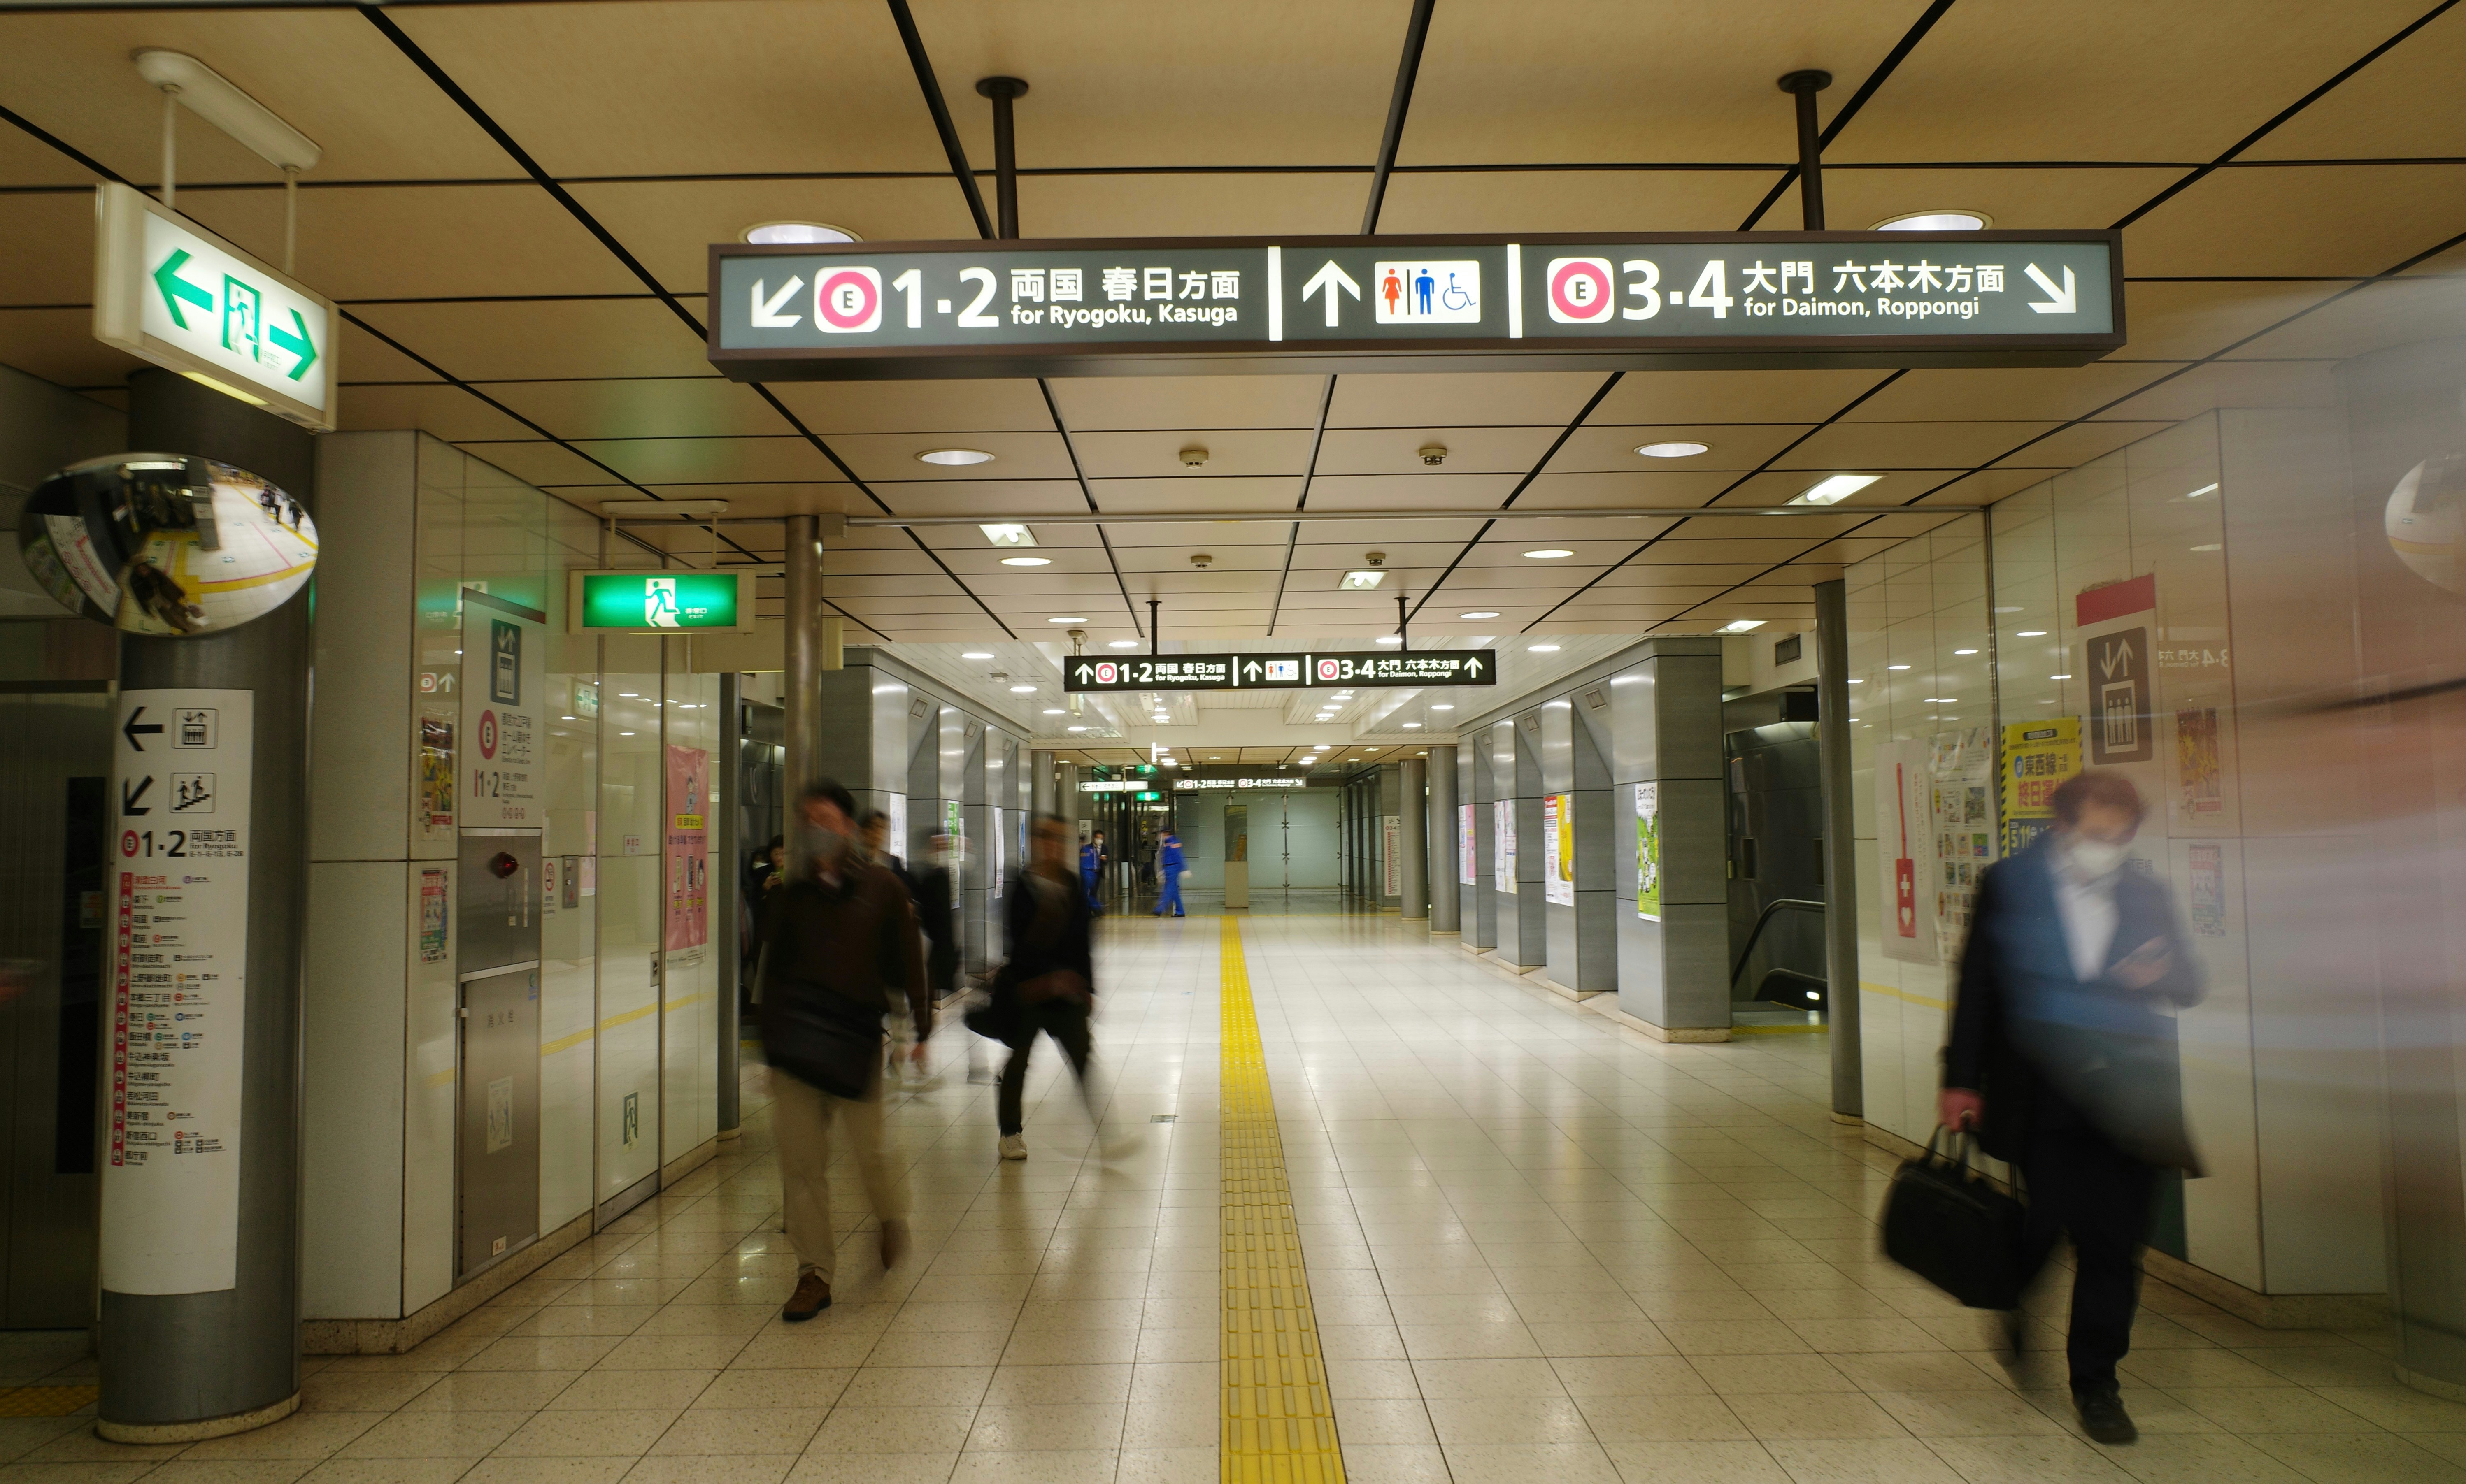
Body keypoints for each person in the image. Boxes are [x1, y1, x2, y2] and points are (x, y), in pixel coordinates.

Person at [1940, 770, 2203, 1446]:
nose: (2108, 847)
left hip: (2130, 1097)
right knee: (2049, 1222)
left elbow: (2190, 980)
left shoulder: (2144, 892)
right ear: (2063, 827)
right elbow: (1977, 984)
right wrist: (1960, 1078)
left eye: (2121, 836)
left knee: (2114, 1242)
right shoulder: (2009, 885)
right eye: (2096, 834)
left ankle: (2097, 1383)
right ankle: (2011, 1288)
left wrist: (2161, 971)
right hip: (2042, 1091)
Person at [759, 781, 930, 1321]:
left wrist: (920, 1025)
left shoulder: (881, 887)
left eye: (826, 819)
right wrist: (770, 1050)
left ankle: (890, 1214)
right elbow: (773, 973)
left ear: (849, 827)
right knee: (800, 1165)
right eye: (807, 819)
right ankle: (813, 1273)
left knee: (871, 1153)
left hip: (855, 1044)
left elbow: (908, 960)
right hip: (797, 1045)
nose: (816, 828)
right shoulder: (792, 895)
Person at [993, 814, 1103, 1161]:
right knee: (1018, 1061)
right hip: (1030, 991)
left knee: (1083, 1057)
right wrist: (1047, 978)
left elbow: (1084, 940)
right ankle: (1010, 1133)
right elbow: (1018, 944)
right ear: (1037, 843)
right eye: (1047, 838)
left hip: (1066, 993)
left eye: (1060, 839)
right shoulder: (1023, 888)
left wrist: (1087, 987)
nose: (1053, 845)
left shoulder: (1072, 884)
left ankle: (1106, 1132)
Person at [1153, 829, 1186, 917]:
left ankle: (1159, 909)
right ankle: (1180, 911)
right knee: (1174, 892)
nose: (1160, 836)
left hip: (1172, 868)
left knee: (1168, 890)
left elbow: (1178, 855)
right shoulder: (1168, 842)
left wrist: (1184, 868)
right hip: (1169, 868)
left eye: (1161, 834)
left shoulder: (1171, 842)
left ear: (1166, 834)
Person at [1079, 828, 1106, 916]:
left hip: (1096, 873)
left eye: (1101, 838)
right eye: (1098, 838)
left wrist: (1104, 860)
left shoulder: (1103, 848)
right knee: (1085, 894)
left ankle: (1095, 909)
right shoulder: (1087, 848)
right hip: (1087, 872)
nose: (1100, 840)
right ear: (1094, 838)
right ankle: (1095, 909)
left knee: (1092, 893)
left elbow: (1105, 861)